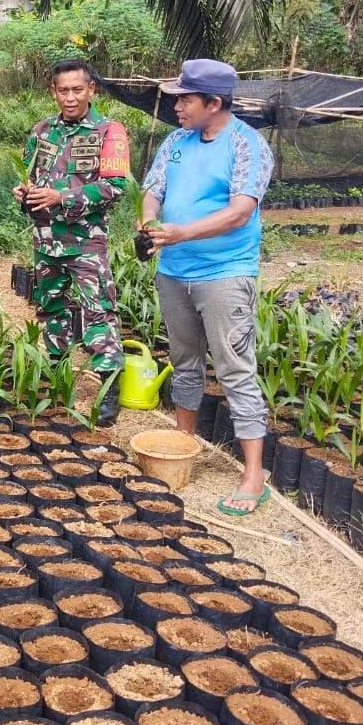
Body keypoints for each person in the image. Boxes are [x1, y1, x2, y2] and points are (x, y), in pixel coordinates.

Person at [140, 58, 275, 516]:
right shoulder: (175, 141)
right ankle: (184, 443)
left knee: (235, 369)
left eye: (185, 99)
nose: (177, 107)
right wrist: (150, 220)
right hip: (174, 271)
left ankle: (253, 475)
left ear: (214, 102)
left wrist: (181, 233)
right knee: (184, 361)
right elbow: (153, 189)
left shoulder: (247, 144)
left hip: (224, 273)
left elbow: (240, 211)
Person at [13, 57, 130, 425]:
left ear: (91, 89)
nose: (70, 97)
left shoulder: (109, 131)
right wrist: (24, 192)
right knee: (50, 309)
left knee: (98, 311)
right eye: (63, 90)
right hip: (46, 240)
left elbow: (115, 186)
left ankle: (108, 387)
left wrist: (60, 197)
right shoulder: (42, 130)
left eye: (77, 89)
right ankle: (57, 375)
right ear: (53, 91)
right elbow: (28, 174)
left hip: (85, 243)